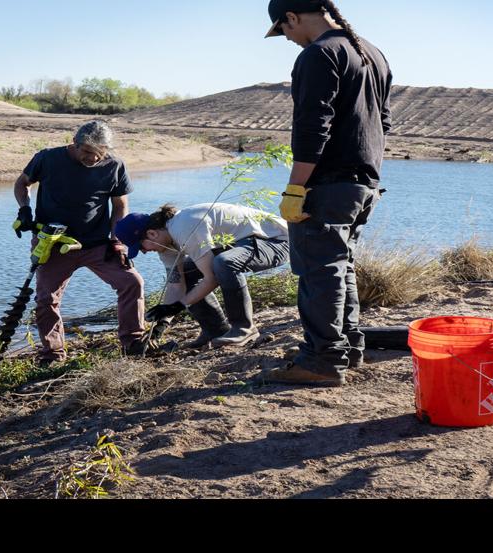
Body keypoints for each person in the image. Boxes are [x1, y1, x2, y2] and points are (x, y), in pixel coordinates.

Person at [260, 0, 393, 387]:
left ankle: (321, 361)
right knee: (339, 266)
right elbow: (383, 122)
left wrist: (296, 188)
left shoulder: (319, 54)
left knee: (319, 272)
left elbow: (312, 128)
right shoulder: (372, 52)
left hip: (329, 183)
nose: (288, 39)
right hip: (363, 184)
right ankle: (347, 349)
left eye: (283, 30)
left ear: (292, 17)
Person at [12, 120, 147, 363]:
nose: (93, 158)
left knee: (131, 282)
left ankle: (133, 342)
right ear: (75, 143)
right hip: (53, 243)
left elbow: (120, 206)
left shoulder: (114, 165)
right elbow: (22, 183)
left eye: (99, 154)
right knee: (46, 299)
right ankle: (53, 354)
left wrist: (117, 241)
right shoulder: (47, 158)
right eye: (86, 152)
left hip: (97, 245)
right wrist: (24, 210)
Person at [114, 202, 291, 351]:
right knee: (191, 269)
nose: (145, 252)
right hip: (244, 244)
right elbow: (177, 286)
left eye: (142, 247)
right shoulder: (167, 247)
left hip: (278, 241)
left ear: (152, 233)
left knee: (224, 263)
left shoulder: (184, 228)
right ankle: (216, 330)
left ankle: (244, 328)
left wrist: (179, 306)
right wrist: (161, 324)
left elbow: (212, 277)